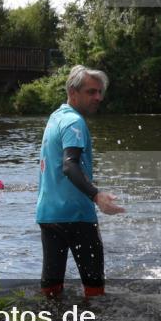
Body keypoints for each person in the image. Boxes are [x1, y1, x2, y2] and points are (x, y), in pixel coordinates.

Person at [36, 65, 125, 297]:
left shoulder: (55, 117)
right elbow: (69, 165)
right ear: (72, 92)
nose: (98, 97)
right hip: (77, 216)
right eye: (91, 92)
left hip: (48, 215)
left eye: (100, 92)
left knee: (51, 290)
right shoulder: (74, 122)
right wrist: (96, 195)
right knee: (95, 292)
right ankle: (95, 320)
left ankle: (50, 320)